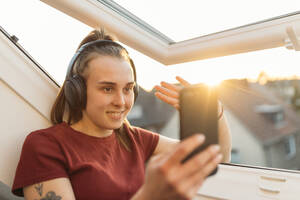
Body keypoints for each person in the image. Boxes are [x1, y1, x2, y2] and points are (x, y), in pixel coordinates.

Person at [12, 29, 229, 200]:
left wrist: (214, 112)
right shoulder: (45, 146)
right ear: (76, 90)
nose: (121, 101)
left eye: (127, 89)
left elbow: (215, 158)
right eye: (107, 88)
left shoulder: (135, 139)